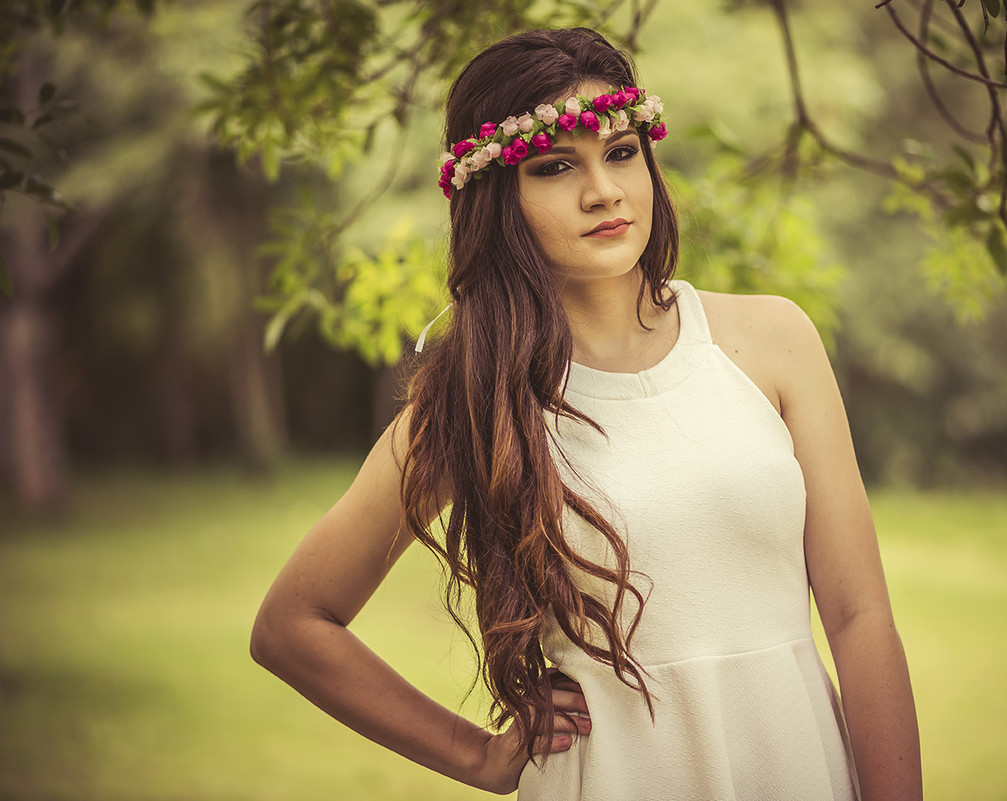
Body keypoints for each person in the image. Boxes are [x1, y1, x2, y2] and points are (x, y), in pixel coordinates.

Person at [250, 27, 921, 801]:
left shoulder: (772, 340)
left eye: (622, 151)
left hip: (795, 762)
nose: (603, 190)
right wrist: (476, 756)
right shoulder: (476, 395)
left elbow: (860, 614)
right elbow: (292, 623)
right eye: (556, 166)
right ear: (499, 196)